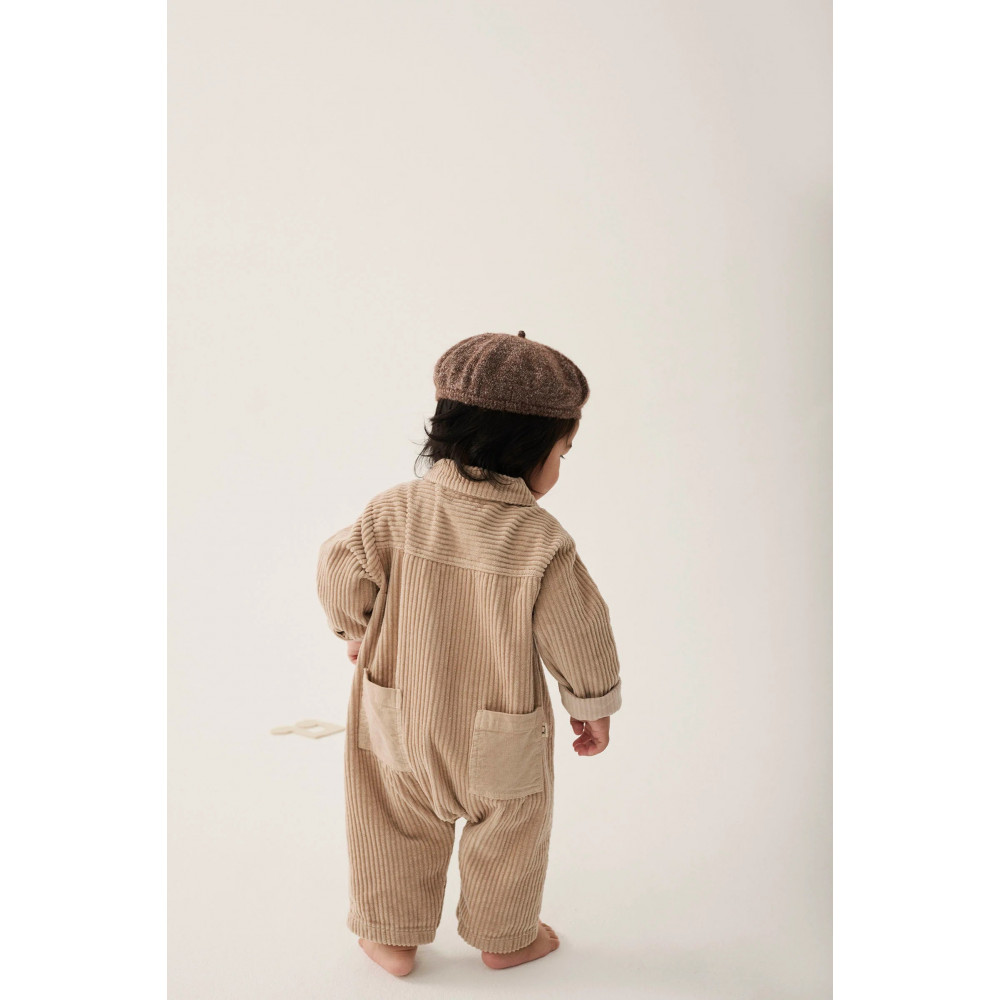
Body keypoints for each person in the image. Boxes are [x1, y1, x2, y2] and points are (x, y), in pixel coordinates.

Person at [316, 330, 622, 976]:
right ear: (532, 450)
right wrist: (591, 703)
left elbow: (339, 568)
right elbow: (580, 629)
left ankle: (390, 937)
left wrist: (356, 629)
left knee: (390, 822)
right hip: (501, 731)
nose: (560, 467)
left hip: (400, 717)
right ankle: (506, 937)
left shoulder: (393, 512)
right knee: (511, 832)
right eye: (562, 452)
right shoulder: (540, 539)